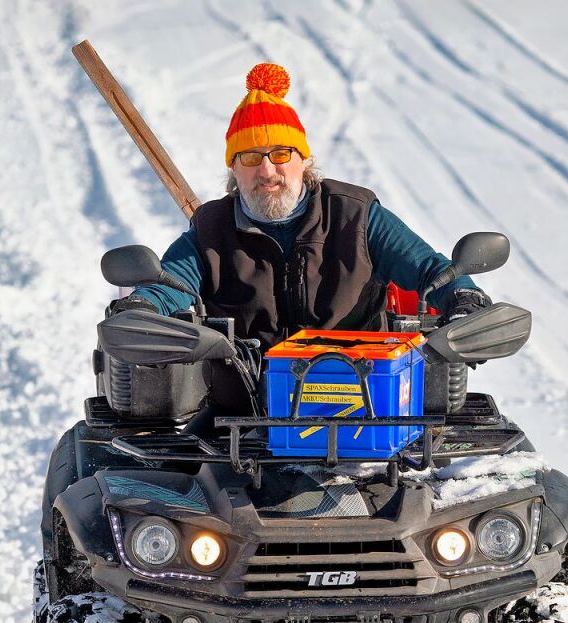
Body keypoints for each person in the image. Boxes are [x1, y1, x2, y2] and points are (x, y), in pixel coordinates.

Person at [114, 62, 490, 408]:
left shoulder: (356, 215)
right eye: (249, 157)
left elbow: (430, 270)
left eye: (280, 154)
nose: (266, 170)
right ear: (234, 169)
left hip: (366, 406)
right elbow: (171, 284)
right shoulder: (211, 229)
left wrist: (464, 298)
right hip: (244, 418)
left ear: (304, 160)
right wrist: (140, 308)